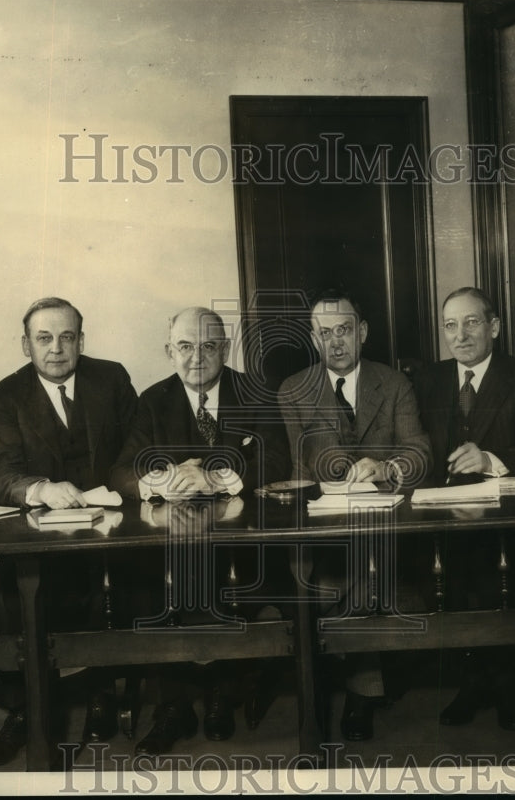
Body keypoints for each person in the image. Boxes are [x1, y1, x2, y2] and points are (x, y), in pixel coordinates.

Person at [109, 306, 291, 755]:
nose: (197, 357)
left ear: (225, 349)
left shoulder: (256, 392)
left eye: (209, 346)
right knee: (155, 589)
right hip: (172, 548)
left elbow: (280, 461)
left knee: (237, 585)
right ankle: (173, 707)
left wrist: (217, 475)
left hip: (242, 548)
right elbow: (120, 474)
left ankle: (220, 697)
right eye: (186, 347)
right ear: (169, 351)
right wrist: (161, 479)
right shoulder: (152, 401)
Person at [0, 296, 138, 766]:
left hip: (111, 525)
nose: (56, 349)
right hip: (41, 530)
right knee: (16, 589)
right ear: (25, 345)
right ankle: (28, 708)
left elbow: (135, 451)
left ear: (81, 342)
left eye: (67, 337)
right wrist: (41, 488)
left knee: (127, 579)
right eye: (43, 338)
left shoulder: (111, 379)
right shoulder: (5, 396)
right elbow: (4, 476)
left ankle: (100, 692)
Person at [277, 288, 431, 742]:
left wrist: (389, 467)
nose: (335, 342)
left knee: (365, 571)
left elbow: (419, 451)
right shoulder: (294, 390)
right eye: (324, 333)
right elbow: (296, 472)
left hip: (388, 532)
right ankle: (365, 687)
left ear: (362, 332)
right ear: (313, 338)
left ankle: (355, 690)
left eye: (344, 330)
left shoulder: (395, 383)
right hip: (325, 535)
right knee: (353, 577)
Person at [413, 286, 515, 730]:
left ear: (493, 327)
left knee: (499, 584)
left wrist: (491, 459)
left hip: (506, 518)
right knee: (448, 588)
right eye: (450, 326)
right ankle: (472, 682)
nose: (460, 335)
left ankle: (507, 686)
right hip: (440, 519)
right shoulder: (426, 381)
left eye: (471, 322)